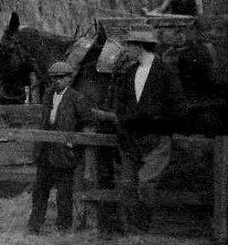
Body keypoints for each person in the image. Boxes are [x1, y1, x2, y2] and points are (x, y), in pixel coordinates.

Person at [112, 28, 185, 234]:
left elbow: (179, 108)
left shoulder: (165, 73)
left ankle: (142, 227)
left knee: (145, 183)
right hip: (131, 141)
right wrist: (124, 129)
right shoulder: (129, 73)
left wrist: (157, 121)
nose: (127, 49)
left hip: (157, 140)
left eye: (129, 45)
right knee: (127, 184)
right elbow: (121, 107)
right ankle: (131, 230)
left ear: (139, 46)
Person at [27, 61, 97, 235]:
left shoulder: (77, 98)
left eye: (61, 78)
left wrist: (75, 143)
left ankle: (63, 226)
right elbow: (45, 120)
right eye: (54, 78)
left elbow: (88, 122)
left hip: (65, 153)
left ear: (69, 78)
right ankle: (35, 225)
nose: (57, 81)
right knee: (40, 190)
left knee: (64, 193)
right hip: (46, 150)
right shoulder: (48, 95)